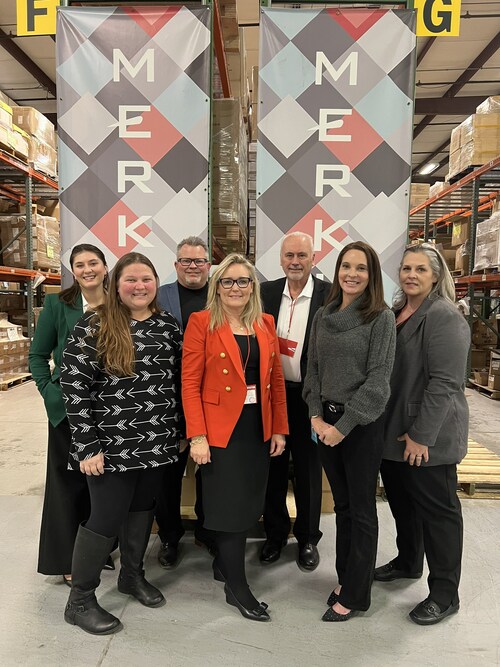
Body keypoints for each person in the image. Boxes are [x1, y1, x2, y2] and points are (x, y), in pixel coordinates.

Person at [60, 252, 183, 635]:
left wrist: (178, 432)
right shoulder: (94, 323)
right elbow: (72, 384)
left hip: (155, 441)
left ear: (155, 283)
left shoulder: (167, 325)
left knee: (143, 508)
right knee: (104, 519)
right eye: (131, 279)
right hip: (109, 445)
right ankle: (79, 600)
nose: (139, 286)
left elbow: (177, 382)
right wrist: (87, 444)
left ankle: (132, 576)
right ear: (116, 284)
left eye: (146, 278)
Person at [181, 253, 288, 622]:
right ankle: (236, 588)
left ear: (252, 286)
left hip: (256, 426)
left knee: (247, 503)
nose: (236, 288)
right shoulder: (201, 322)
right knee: (228, 507)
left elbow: (274, 381)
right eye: (227, 281)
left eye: (243, 281)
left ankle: (225, 568)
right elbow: (190, 383)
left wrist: (279, 427)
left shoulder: (265, 322)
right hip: (219, 430)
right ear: (217, 286)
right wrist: (196, 435)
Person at [376, 243, 469, 626]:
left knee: (438, 514)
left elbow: (445, 382)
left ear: (435, 275)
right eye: (406, 268)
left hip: (426, 437)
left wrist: (422, 436)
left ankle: (445, 594)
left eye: (420, 269)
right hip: (393, 433)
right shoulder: (398, 313)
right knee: (404, 506)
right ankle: (408, 561)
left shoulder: (444, 316)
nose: (411, 275)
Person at [303, 241, 396, 622]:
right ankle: (346, 577)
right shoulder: (324, 315)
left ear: (371, 275)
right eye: (346, 266)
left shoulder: (380, 318)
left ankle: (357, 595)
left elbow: (379, 382)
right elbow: (313, 371)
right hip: (325, 424)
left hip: (359, 427)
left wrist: (342, 427)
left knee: (360, 511)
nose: (352, 274)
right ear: (337, 271)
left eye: (361, 268)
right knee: (341, 507)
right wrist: (315, 418)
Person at [29, 243, 114, 585]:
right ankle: (66, 559)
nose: (87, 269)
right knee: (68, 487)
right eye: (79, 265)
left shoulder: (118, 304)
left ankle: (97, 551)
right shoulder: (57, 304)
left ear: (105, 267)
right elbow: (37, 355)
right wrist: (51, 393)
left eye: (93, 262)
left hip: (109, 410)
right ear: (73, 271)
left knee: (101, 485)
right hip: (68, 409)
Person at [259, 232, 329, 571]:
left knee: (308, 470)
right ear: (281, 259)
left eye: (302, 255)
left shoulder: (330, 295)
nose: (295, 261)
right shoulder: (265, 292)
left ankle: (307, 539)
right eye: (289, 255)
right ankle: (274, 534)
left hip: (309, 396)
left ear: (313, 258)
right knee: (272, 468)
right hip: (272, 395)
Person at [155, 236, 215, 568]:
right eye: (186, 261)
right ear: (176, 264)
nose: (193, 266)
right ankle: (169, 537)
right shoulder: (159, 295)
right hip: (166, 400)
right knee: (168, 476)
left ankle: (207, 532)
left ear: (209, 265)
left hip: (211, 398)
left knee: (210, 470)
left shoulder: (221, 293)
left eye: (199, 261)